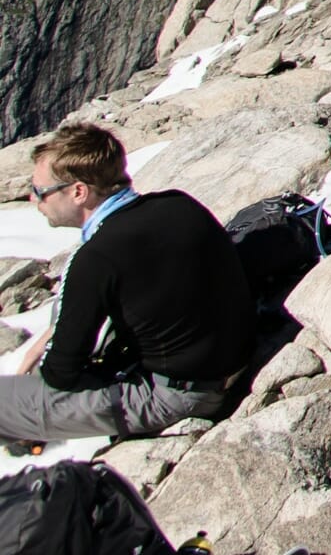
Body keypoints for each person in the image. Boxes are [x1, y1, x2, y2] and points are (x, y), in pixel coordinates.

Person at [0, 122, 254, 448]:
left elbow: (60, 374)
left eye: (40, 192)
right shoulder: (178, 203)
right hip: (231, 363)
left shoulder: (97, 258)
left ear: (78, 192)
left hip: (178, 395)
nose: (35, 201)